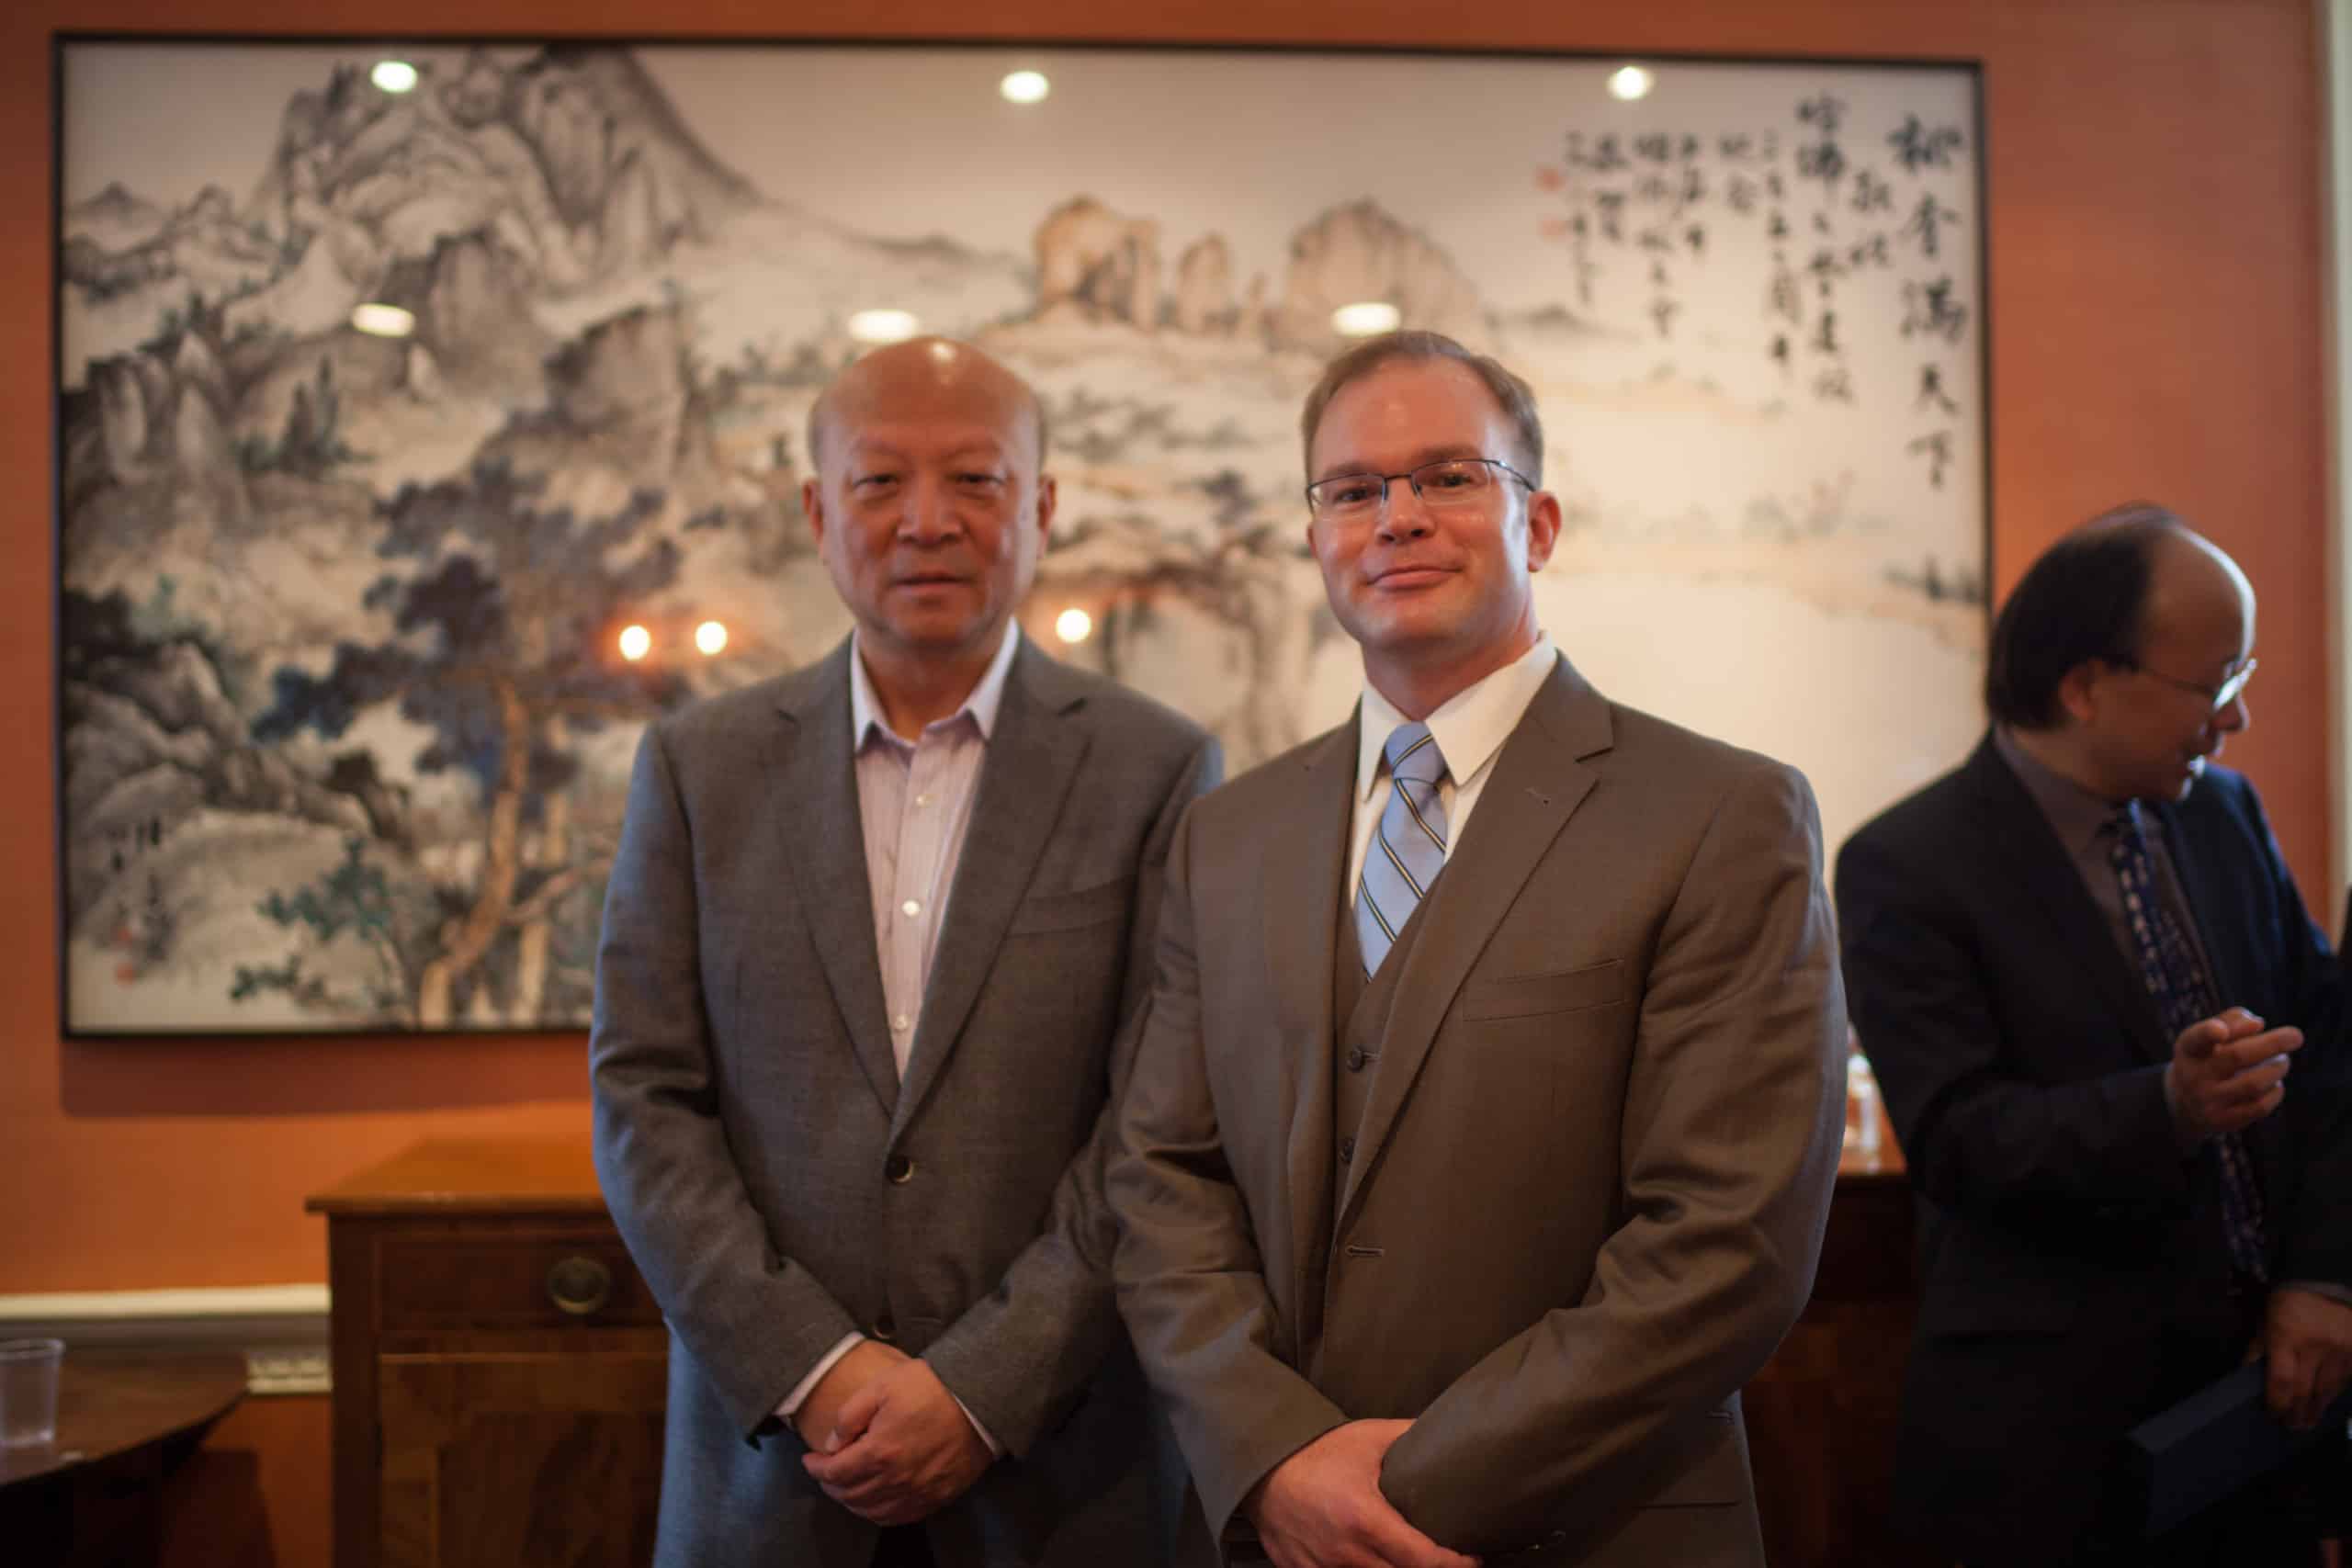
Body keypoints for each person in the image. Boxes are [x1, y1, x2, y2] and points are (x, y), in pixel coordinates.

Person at [1106, 330, 1847, 1568]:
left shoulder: (1721, 815)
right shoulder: (1226, 836)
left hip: (1590, 1526)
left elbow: (1727, 1244)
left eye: (1450, 476)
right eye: (1353, 488)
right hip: (1266, 1526)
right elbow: (1159, 1176)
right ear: (1316, 538)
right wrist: (1274, 1453)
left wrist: (1395, 1488)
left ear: (1540, 522)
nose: (1397, 517)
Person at [591, 336, 1219, 1568]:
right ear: (819, 513)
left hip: (1062, 1483)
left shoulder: (1158, 767)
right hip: (771, 1482)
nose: (927, 521)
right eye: (880, 482)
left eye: (976, 481)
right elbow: (642, 1097)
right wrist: (813, 1368)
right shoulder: (698, 768)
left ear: (1041, 508)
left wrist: (980, 1385)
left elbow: (1161, 1125)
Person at [1835, 504, 2352, 1566]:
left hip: (2258, 1417)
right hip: (2049, 1451)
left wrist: (2322, 1278)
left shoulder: (2223, 817)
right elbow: (1958, 1140)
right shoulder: (1908, 863)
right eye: (2213, 686)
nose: (2236, 718)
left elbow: (2329, 1051)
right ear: (2083, 686)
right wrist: (2166, 1105)